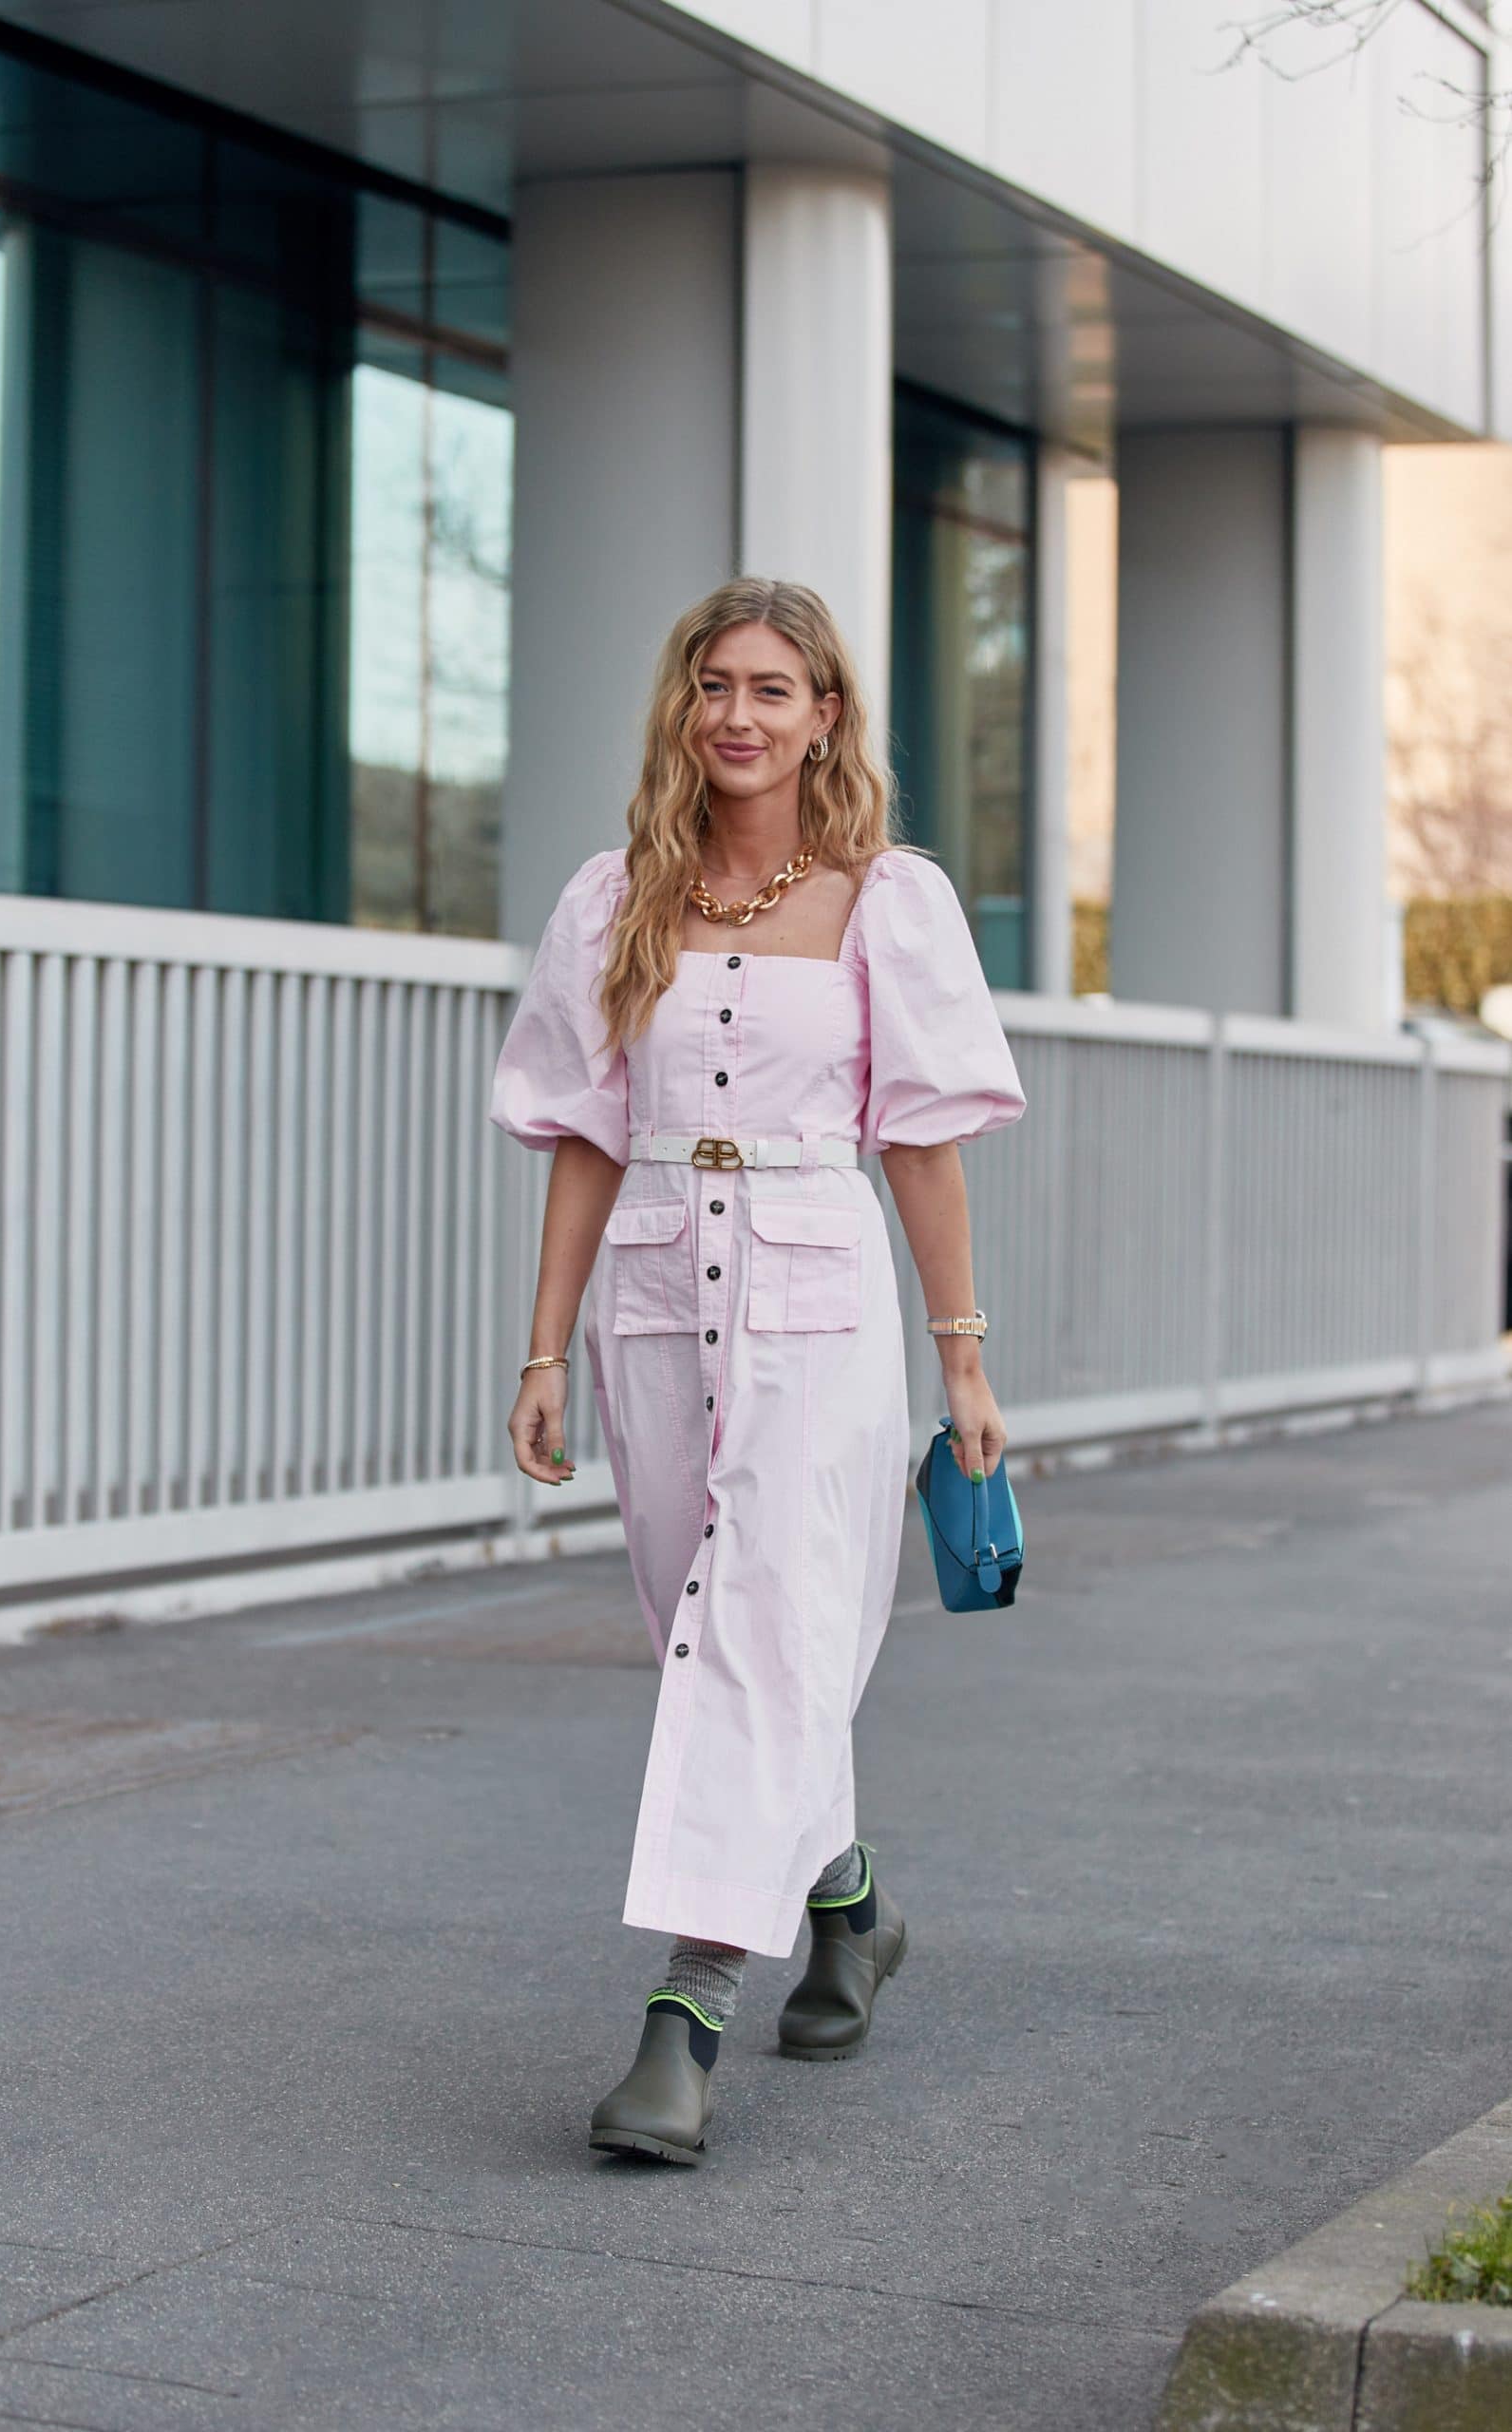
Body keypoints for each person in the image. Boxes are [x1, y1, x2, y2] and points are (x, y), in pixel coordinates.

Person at [488, 577, 1026, 2165]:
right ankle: (849, 1907)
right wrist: (542, 1347)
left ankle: (688, 2016)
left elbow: (919, 1145)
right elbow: (588, 1138)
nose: (738, 713)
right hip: (656, 1290)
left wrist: (964, 1364)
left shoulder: (887, 900)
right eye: (715, 684)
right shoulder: (613, 899)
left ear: (825, 717)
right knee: (710, 1631)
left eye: (772, 688)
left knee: (764, 1630)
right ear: (685, 706)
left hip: (819, 1297)